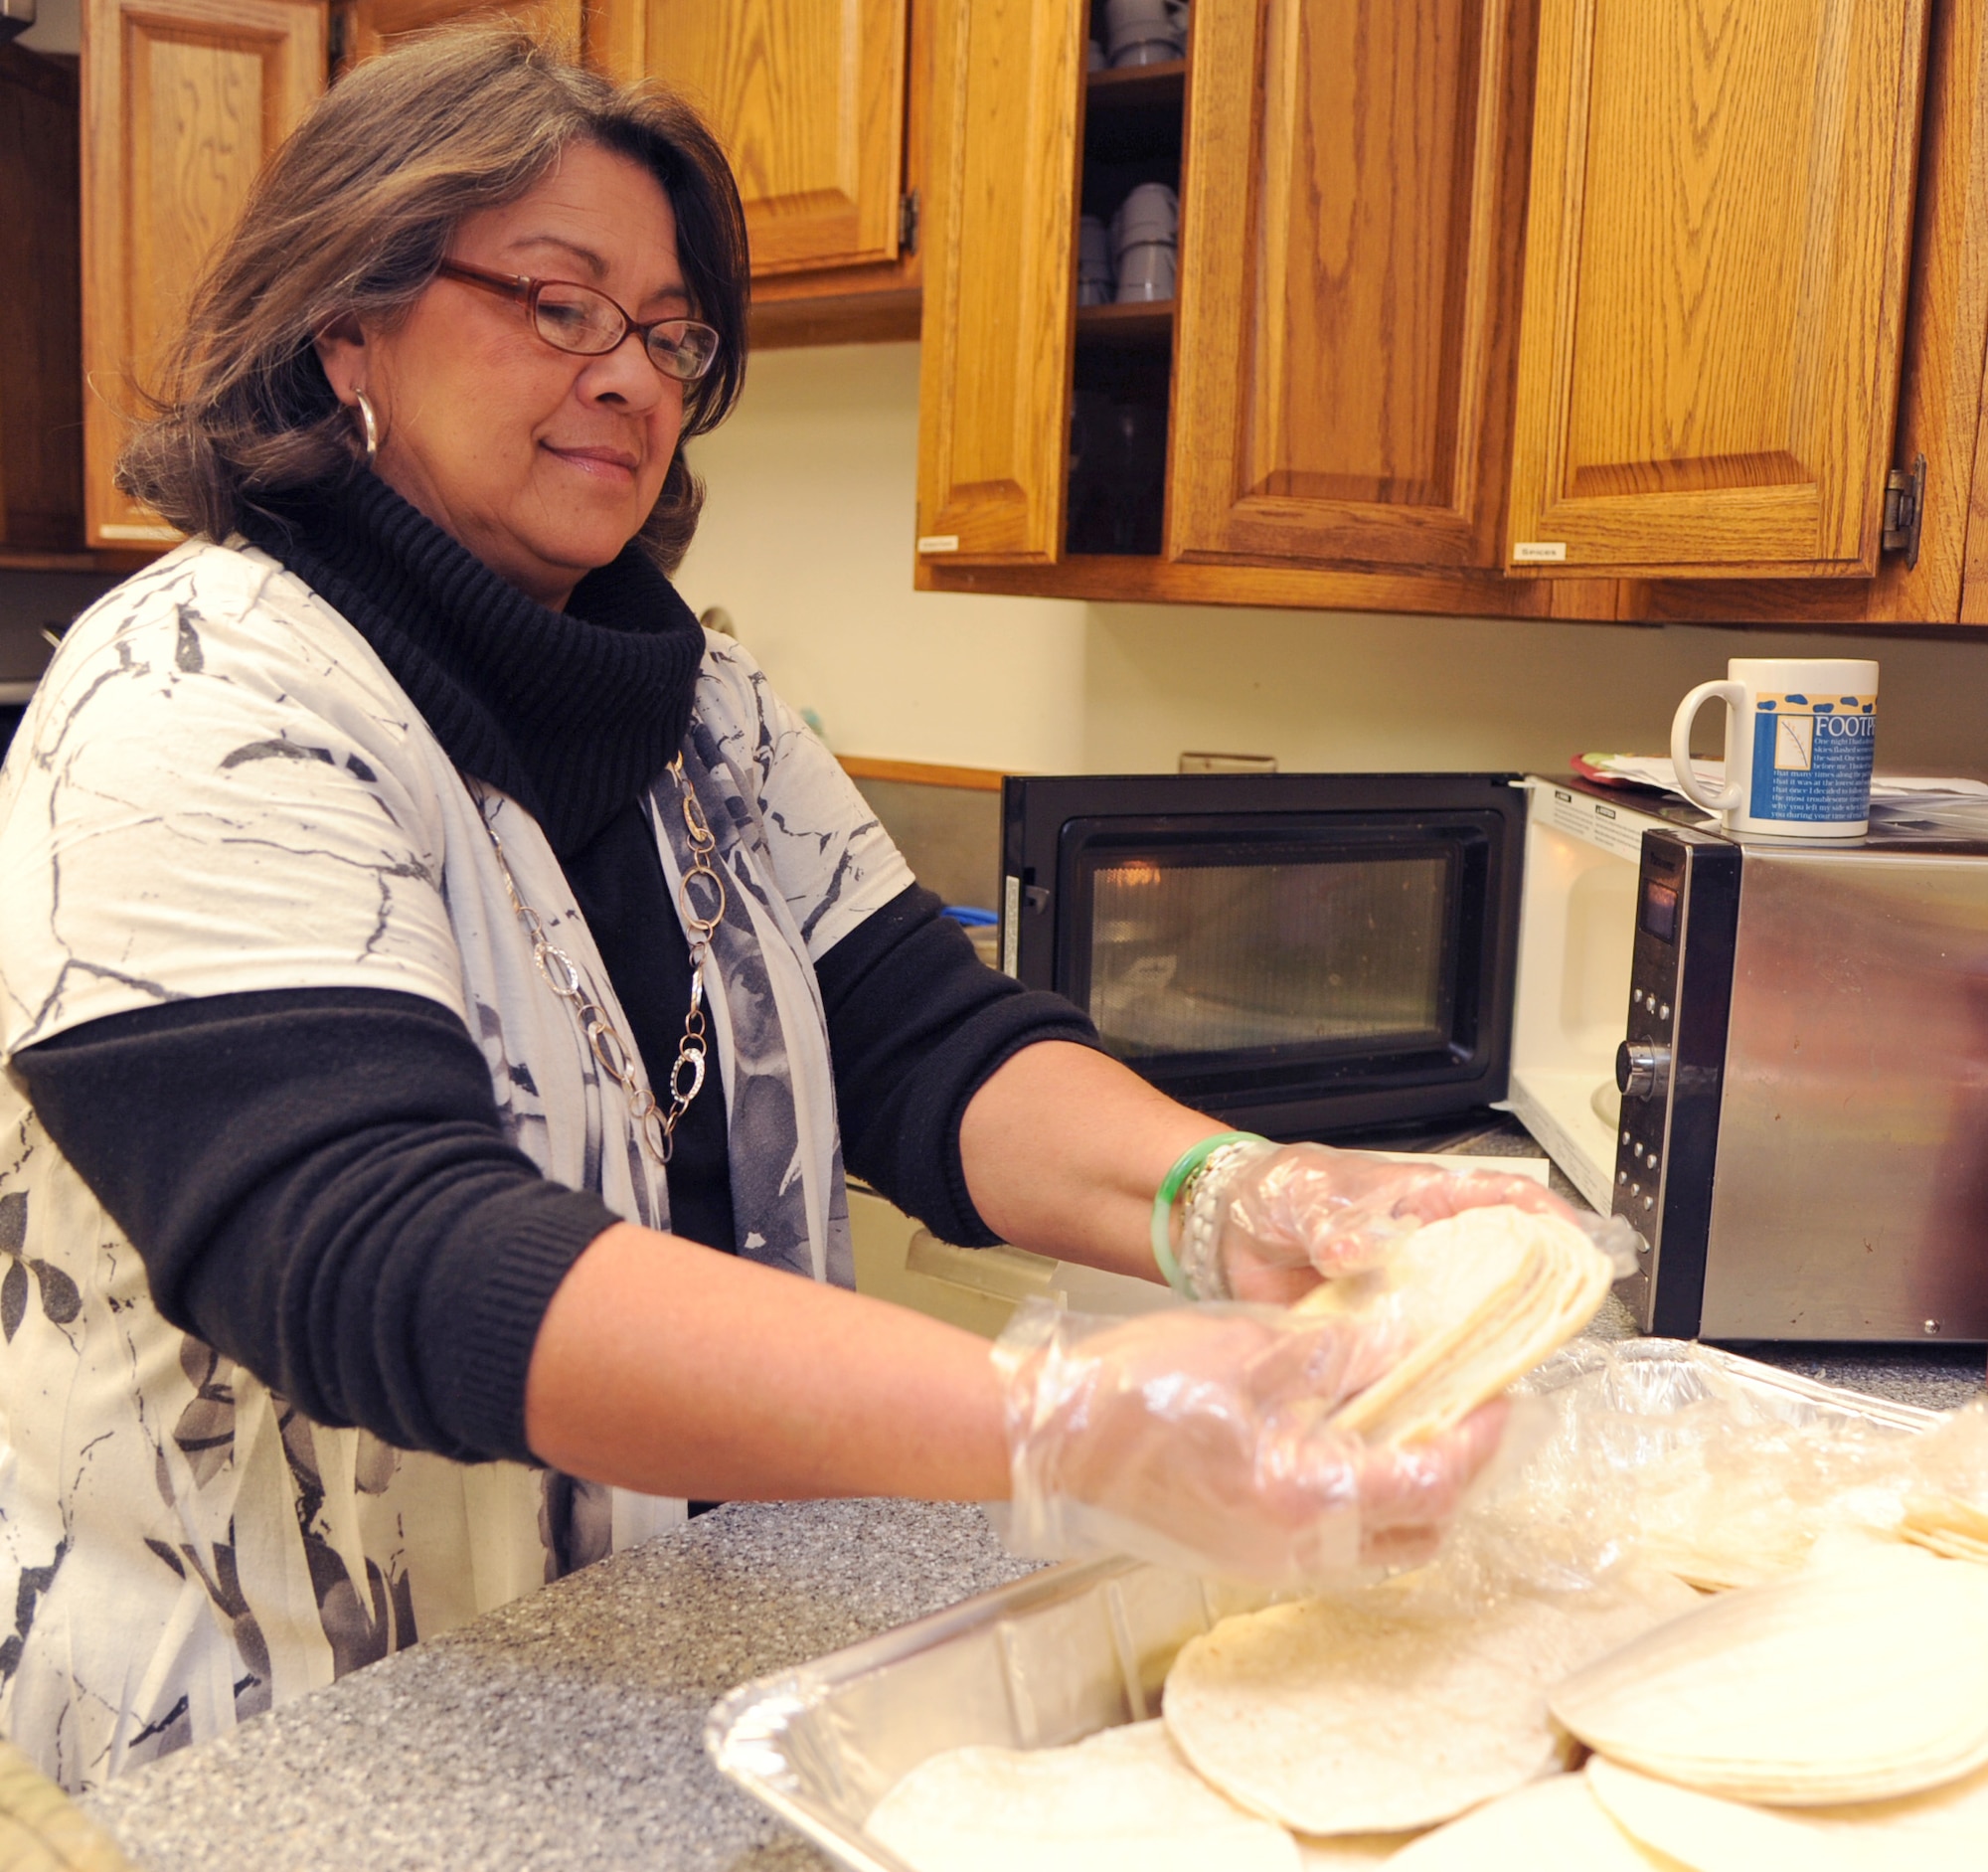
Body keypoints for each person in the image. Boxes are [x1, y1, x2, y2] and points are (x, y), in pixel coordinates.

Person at [0, 28, 1564, 1792]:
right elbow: (372, 1240)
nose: (629, 375)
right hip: (289, 1740)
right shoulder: (190, 690)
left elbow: (924, 1040)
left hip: (654, 1669)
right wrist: (1047, 1421)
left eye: (668, 334)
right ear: (346, 318)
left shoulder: (701, 708)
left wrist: (1236, 1198)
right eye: (558, 300)